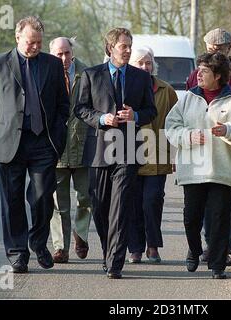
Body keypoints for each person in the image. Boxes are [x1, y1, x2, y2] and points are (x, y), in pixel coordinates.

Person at [0, 16, 69, 273]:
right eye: (31, 42)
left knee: (42, 197)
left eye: (39, 42)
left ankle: (38, 244)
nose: (35, 47)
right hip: (10, 142)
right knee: (12, 199)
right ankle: (18, 253)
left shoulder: (52, 64)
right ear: (18, 38)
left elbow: (64, 104)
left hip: (44, 141)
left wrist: (58, 133)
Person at [75, 27, 156, 279]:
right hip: (99, 148)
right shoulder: (91, 75)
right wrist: (101, 118)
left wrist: (136, 116)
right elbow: (80, 108)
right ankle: (108, 251)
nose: (128, 50)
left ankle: (115, 262)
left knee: (120, 206)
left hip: (127, 150)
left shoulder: (141, 78)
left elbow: (150, 111)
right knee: (100, 207)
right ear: (110, 48)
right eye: (124, 46)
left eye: (130, 45)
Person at [165, 52, 231, 279]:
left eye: (204, 71)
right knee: (191, 218)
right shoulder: (187, 99)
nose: (198, 74)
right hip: (193, 170)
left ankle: (218, 264)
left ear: (218, 76)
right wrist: (189, 136)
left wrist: (228, 130)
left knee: (219, 219)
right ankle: (194, 250)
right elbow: (171, 127)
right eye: (198, 70)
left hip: (221, 171)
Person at [186, 28, 231, 266]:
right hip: (201, 153)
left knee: (228, 204)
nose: (214, 53)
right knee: (204, 205)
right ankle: (210, 246)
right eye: (210, 49)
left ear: (229, 48)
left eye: (219, 49)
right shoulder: (194, 77)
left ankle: (223, 249)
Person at [127, 46, 178, 264]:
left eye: (148, 63)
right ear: (131, 65)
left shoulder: (167, 91)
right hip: (129, 154)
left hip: (158, 156)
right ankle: (135, 248)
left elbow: (177, 124)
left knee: (152, 201)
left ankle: (153, 245)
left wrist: (176, 155)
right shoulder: (125, 88)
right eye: (139, 63)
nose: (144, 67)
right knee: (133, 202)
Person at [48, 37, 92, 263]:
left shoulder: (88, 74)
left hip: (84, 146)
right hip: (56, 149)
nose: (63, 58)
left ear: (72, 53)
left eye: (66, 53)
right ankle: (60, 247)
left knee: (85, 197)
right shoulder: (46, 73)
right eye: (59, 54)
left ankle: (81, 234)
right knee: (58, 203)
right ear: (52, 54)